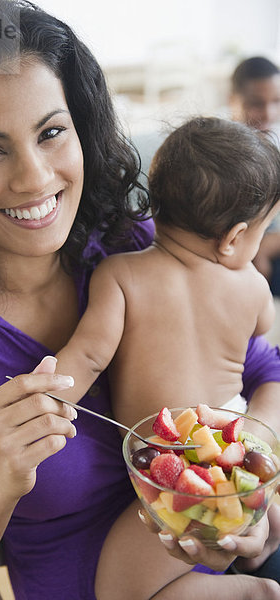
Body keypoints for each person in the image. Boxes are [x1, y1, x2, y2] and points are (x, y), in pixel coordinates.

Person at [0, 2, 279, 600]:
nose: (35, 179)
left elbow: (263, 368)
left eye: (52, 132)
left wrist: (248, 505)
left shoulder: (140, 246)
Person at [50, 116, 280, 598]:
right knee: (252, 513)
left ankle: (254, 592)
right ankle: (262, 542)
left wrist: (41, 402)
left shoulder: (119, 275)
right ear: (235, 236)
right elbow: (262, 332)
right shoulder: (254, 289)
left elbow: (88, 356)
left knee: (118, 591)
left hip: (173, 465)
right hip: (236, 444)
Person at [229, 56, 280, 294]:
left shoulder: (274, 148)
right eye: (256, 103)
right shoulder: (219, 154)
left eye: (277, 101)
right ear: (233, 101)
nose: (268, 114)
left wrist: (268, 245)